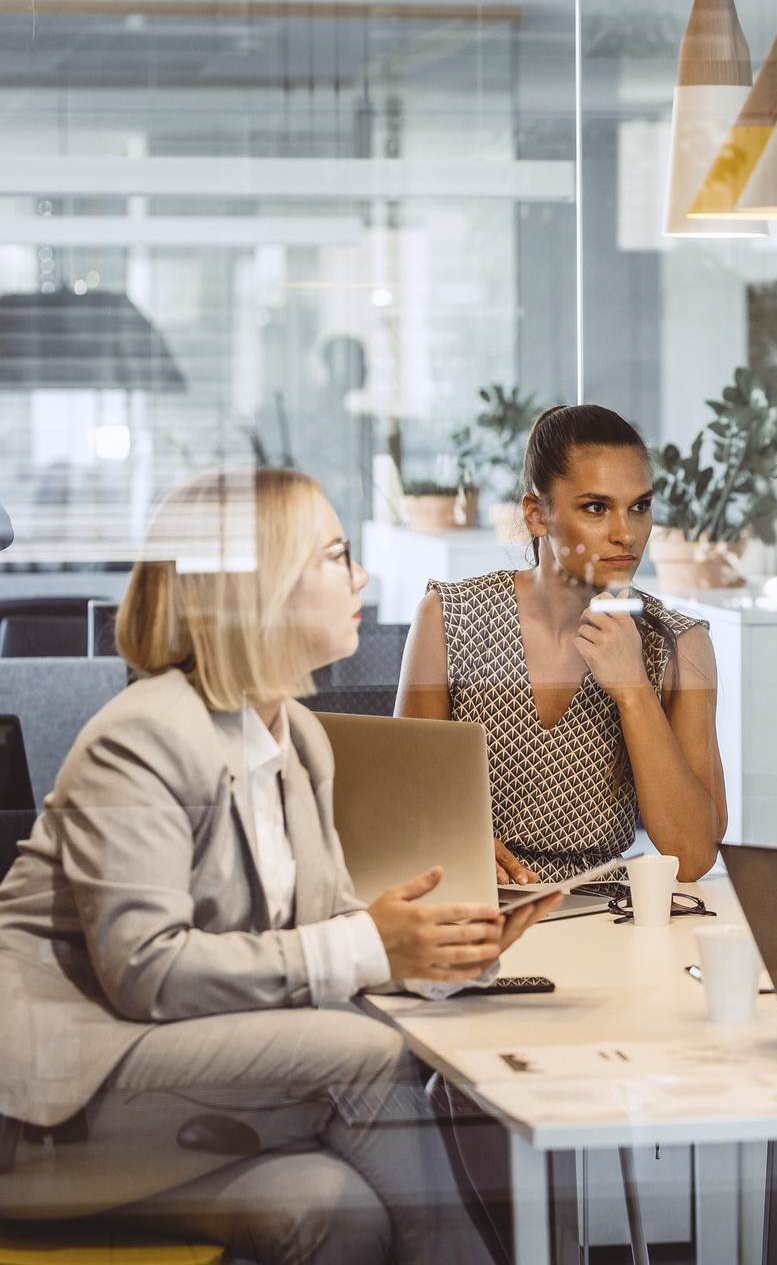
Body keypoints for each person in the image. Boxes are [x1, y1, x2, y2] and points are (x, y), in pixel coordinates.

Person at [0, 468, 558, 1264]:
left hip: (169, 1095)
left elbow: (325, 932)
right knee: (366, 1054)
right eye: (335, 556)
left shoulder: (296, 738)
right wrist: (370, 942)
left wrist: (446, 951)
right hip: (50, 1110)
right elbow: (146, 972)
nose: (359, 575)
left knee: (336, 1211)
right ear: (260, 588)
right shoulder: (144, 736)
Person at [397, 404, 726, 888]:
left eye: (639, 506)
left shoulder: (679, 643)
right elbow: (404, 808)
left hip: (607, 918)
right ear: (536, 514)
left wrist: (634, 690)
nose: (626, 533)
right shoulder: (448, 618)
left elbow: (694, 855)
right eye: (596, 508)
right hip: (474, 905)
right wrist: (452, 843)